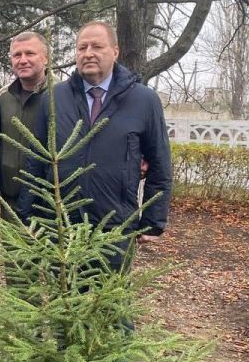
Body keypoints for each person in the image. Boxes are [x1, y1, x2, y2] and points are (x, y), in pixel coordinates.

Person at [19, 20, 171, 267]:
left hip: (115, 226)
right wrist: (28, 216)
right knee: (65, 302)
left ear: (115, 51)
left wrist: (154, 220)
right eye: (82, 48)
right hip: (62, 225)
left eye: (97, 46)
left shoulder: (144, 100)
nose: (88, 53)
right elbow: (36, 158)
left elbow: (160, 162)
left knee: (108, 303)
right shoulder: (54, 98)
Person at [0, 31, 49, 212]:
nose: (23, 60)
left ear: (45, 58)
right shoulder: (1, 97)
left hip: (50, 205)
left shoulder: (62, 96)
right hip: (10, 203)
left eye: (30, 53)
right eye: (17, 55)